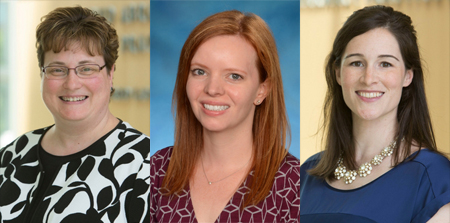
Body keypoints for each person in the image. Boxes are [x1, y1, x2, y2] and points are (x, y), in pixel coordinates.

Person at [300, 5, 450, 223]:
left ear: (407, 76)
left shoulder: (434, 179)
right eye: (357, 63)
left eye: (385, 64)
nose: (369, 78)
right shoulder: (306, 174)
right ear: (338, 74)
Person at [0, 6, 149, 223]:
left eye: (87, 68)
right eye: (57, 69)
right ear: (42, 73)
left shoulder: (144, 165)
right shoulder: (10, 156)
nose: (71, 84)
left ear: (110, 73)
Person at [150, 10, 300, 222]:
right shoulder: (157, 170)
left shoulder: (294, 183)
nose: (212, 89)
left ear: (262, 90)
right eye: (200, 72)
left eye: (234, 76)